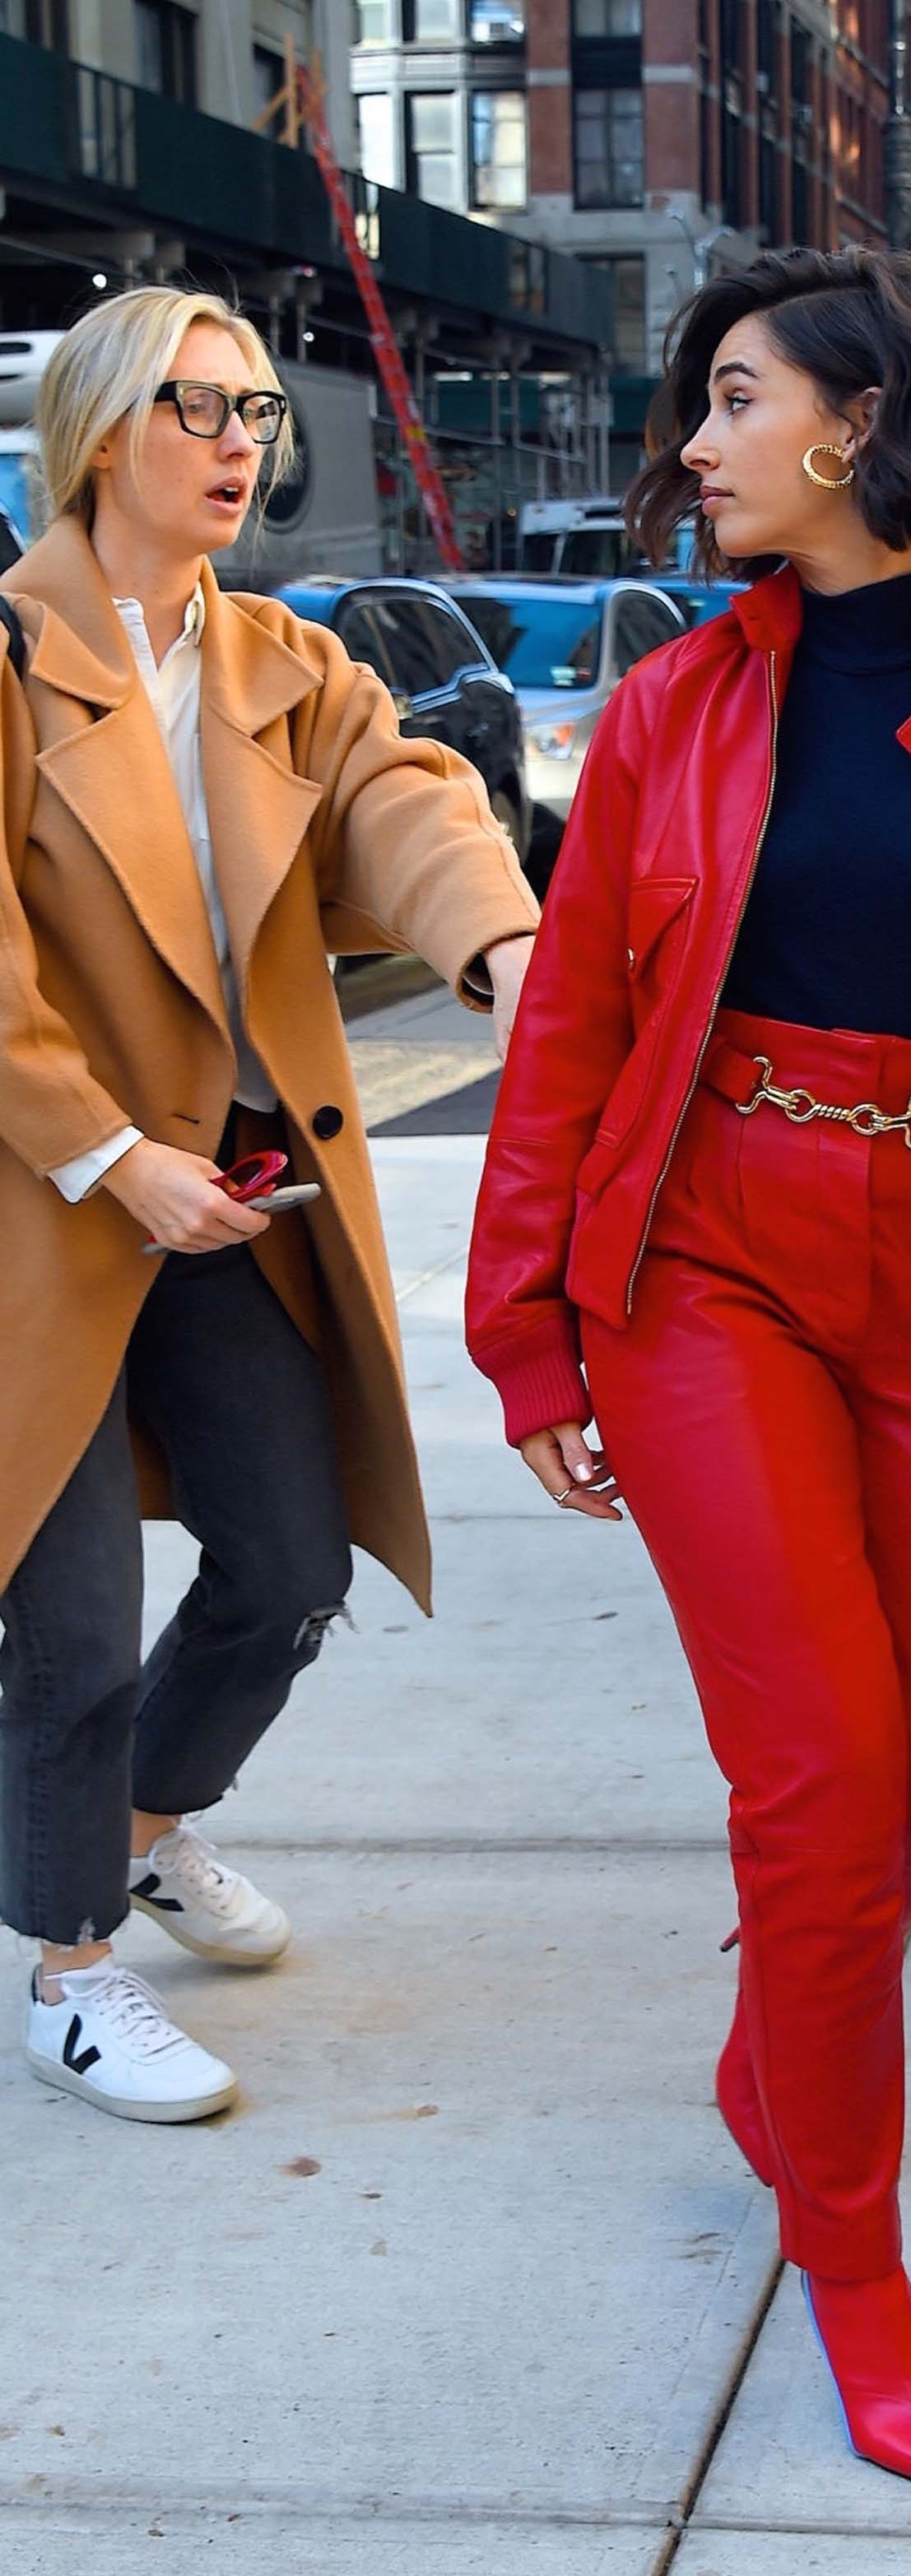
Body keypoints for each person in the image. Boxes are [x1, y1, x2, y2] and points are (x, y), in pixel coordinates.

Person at [466, 247, 911, 2491]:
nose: (692, 441)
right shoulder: (676, 706)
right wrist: (534, 1335)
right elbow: (575, 1025)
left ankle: (786, 2005)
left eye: (732, 396)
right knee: (813, 1781)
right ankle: (849, 2261)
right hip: (714, 1266)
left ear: (857, 423)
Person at [0, 287, 539, 2123]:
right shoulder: (5, 656)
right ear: (97, 427)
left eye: (257, 415)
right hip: (49, 1203)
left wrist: (500, 943)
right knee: (62, 1618)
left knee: (292, 1566)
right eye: (199, 405)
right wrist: (101, 1148)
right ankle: (72, 1968)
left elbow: (405, 802)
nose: (242, 440)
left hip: (230, 1191)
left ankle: (145, 1825)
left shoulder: (284, 669)